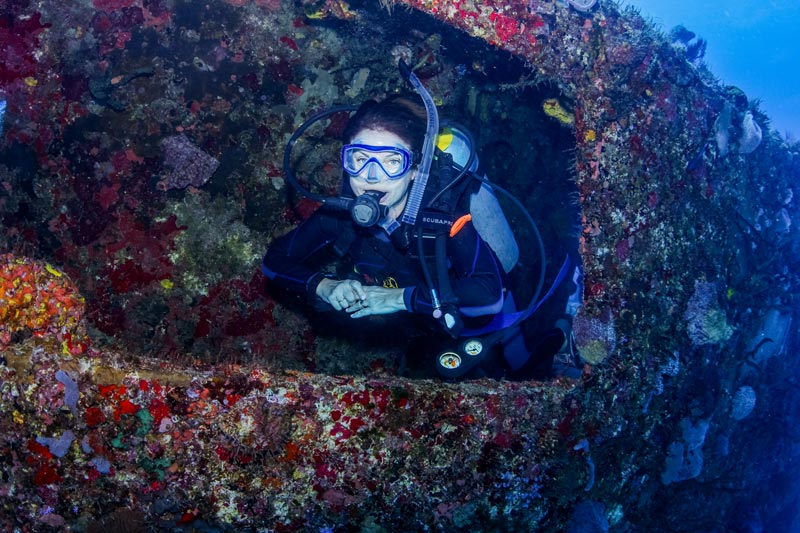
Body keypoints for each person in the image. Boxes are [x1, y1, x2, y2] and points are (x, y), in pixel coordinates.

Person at [262, 95, 577, 378]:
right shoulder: (339, 216)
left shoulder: (441, 217)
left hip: (464, 306)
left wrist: (400, 299)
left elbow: (489, 293)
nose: (372, 177)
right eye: (360, 160)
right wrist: (324, 285)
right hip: (419, 316)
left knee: (519, 364)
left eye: (392, 162)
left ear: (414, 169)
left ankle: (563, 328)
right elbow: (274, 260)